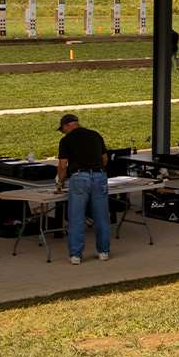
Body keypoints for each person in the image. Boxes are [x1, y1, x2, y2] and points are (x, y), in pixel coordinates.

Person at [54, 113, 110, 265]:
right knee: (102, 217)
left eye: (63, 129)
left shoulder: (66, 140)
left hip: (79, 177)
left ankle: (76, 255)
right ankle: (103, 252)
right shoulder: (95, 135)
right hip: (99, 176)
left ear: (67, 126)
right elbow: (105, 159)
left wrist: (60, 182)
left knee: (76, 218)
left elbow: (63, 165)